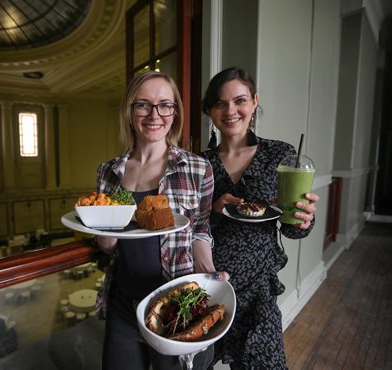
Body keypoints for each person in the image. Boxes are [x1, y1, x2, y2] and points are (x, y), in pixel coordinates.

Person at [94, 71, 216, 370]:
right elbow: (107, 245)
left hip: (175, 306)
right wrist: (104, 234)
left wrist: (209, 273)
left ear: (175, 112)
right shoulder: (108, 172)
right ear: (130, 111)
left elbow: (200, 229)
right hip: (123, 304)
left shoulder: (198, 169)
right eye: (143, 105)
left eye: (165, 105)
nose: (154, 115)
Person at [200, 67, 320, 369]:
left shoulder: (280, 155)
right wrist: (213, 209)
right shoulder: (200, 164)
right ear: (210, 111)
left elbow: (291, 228)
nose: (230, 111)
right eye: (220, 103)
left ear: (254, 102)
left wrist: (303, 219)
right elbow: (189, 227)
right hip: (208, 287)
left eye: (239, 100)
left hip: (257, 289)